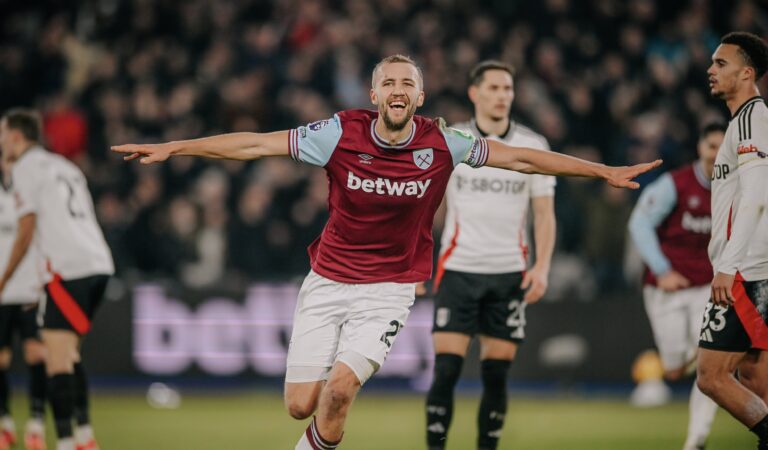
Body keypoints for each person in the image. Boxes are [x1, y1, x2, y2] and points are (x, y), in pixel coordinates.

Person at [112, 54, 660, 450]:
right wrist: (176, 147)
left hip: (389, 290)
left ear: (419, 97)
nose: (398, 89)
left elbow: (522, 160)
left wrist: (601, 171)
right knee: (302, 404)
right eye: (388, 82)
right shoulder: (337, 134)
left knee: (340, 391)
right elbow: (255, 144)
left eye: (408, 83)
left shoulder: (443, 142)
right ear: (374, 95)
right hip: (326, 281)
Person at [424, 60, 555, 450]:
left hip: (509, 273)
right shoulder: (453, 140)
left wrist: (542, 266)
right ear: (474, 93)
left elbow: (544, 215)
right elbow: (429, 209)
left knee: (496, 375)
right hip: (458, 270)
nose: (502, 96)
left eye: (508, 89)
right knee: (446, 371)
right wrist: (418, 262)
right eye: (494, 88)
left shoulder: (532, 146)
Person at [0, 109, 115, 450]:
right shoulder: (66, 166)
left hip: (67, 269)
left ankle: (66, 442)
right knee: (70, 357)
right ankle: (84, 437)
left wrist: (4, 279)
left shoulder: (24, 168)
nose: (1, 142)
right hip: (98, 264)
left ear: (18, 137)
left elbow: (26, 229)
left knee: (57, 360)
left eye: (2, 134)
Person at [628, 123, 726, 450]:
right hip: (666, 287)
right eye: (711, 145)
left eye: (722, 146)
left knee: (708, 368)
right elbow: (639, 223)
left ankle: (696, 440)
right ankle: (678, 360)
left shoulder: (736, 187)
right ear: (701, 147)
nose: (716, 153)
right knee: (673, 366)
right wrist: (663, 269)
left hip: (707, 288)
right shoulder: (675, 184)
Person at [694, 31, 768, 450]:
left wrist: (728, 264)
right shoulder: (745, 120)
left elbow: (757, 196)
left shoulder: (752, 119)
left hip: (746, 271)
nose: (711, 69)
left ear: (747, 73)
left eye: (720, 63)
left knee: (712, 376)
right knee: (755, 381)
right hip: (755, 268)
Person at [0, 150, 47, 450]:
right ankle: (4, 423)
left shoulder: (35, 198)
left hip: (30, 289)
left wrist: (43, 283)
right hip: (3, 292)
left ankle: (36, 424)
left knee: (36, 355)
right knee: (1, 360)